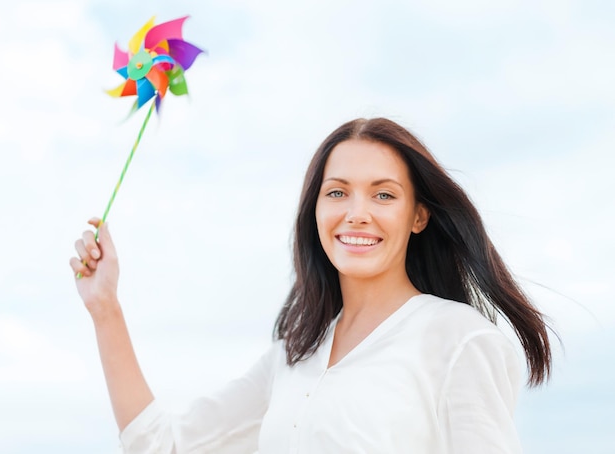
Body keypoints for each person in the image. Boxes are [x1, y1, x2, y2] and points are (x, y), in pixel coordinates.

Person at [70, 117, 552, 453]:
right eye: (337, 192)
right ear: (315, 211)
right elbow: (166, 446)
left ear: (418, 215)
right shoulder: (295, 354)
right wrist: (105, 309)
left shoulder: (458, 339)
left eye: (383, 194)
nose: (356, 212)